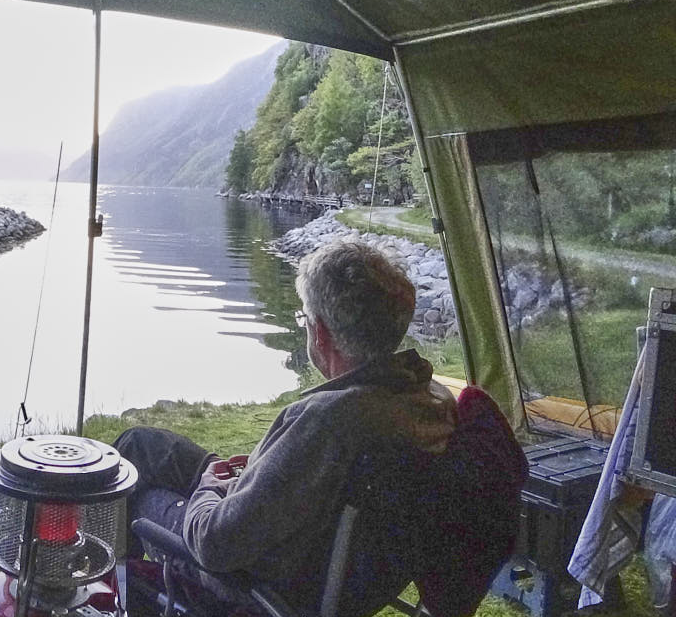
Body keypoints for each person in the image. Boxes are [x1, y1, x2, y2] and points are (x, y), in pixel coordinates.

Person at [116, 240, 456, 595]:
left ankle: (105, 605)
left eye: (304, 318)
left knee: (131, 490)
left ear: (320, 332)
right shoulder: (426, 395)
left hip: (251, 573)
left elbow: (214, 542)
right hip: (298, 530)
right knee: (138, 445)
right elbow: (300, 480)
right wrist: (256, 471)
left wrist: (209, 487)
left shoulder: (328, 422)